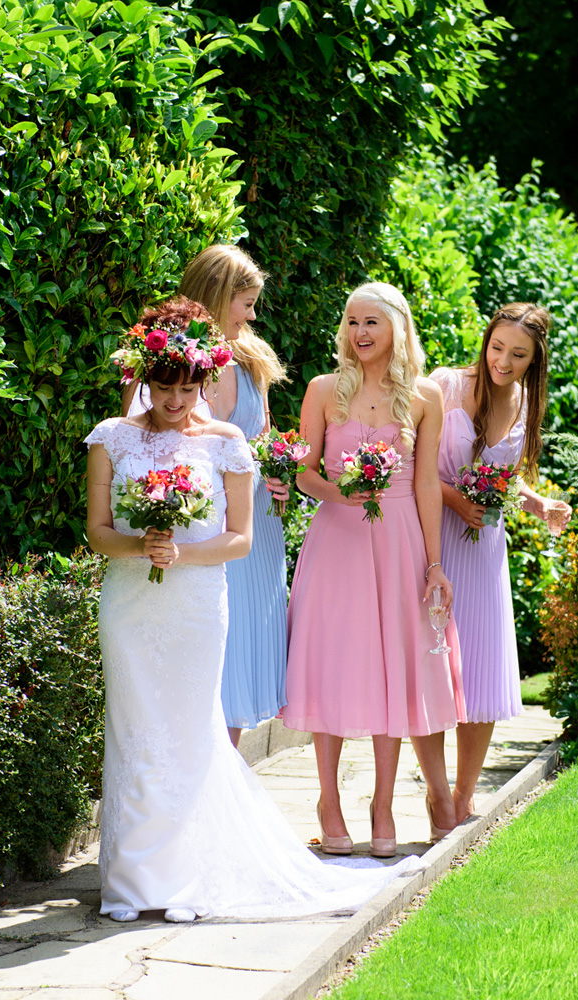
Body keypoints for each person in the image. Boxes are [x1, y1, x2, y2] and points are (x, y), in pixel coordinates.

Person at [87, 297, 418, 923]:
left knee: (188, 730)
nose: (178, 400)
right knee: (134, 730)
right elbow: (98, 532)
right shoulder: (111, 439)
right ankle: (129, 883)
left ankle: (184, 879)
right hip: (129, 605)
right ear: (145, 380)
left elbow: (240, 538)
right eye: (165, 386)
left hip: (195, 605)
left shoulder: (227, 441)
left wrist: (179, 552)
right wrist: (141, 544)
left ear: (204, 381)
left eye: (189, 386)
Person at [284, 282, 465, 858]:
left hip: (400, 544)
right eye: (353, 323)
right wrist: (340, 492)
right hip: (336, 540)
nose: (361, 334)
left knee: (393, 667)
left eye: (372, 323)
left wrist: (435, 564)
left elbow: (428, 487)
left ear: (397, 328)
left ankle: (383, 803)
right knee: (333, 662)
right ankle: (328, 803)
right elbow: (304, 473)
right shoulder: (322, 390)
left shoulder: (426, 396)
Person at [122, 244, 288, 747]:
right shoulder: (167, 363)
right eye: (246, 302)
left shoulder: (254, 360)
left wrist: (277, 470)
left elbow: (258, 439)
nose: (253, 314)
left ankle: (225, 786)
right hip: (197, 528)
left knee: (238, 660)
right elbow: (137, 445)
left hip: (254, 531)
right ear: (218, 297)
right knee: (200, 661)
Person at [430, 303, 572, 825]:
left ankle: (464, 797)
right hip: (435, 539)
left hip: (485, 547)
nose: (503, 362)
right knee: (434, 664)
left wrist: (539, 505)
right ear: (486, 340)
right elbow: (409, 461)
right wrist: (453, 499)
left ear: (534, 360)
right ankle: (438, 794)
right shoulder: (444, 385)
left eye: (518, 355)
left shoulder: (526, 400)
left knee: (482, 673)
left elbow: (504, 476)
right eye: (497, 347)